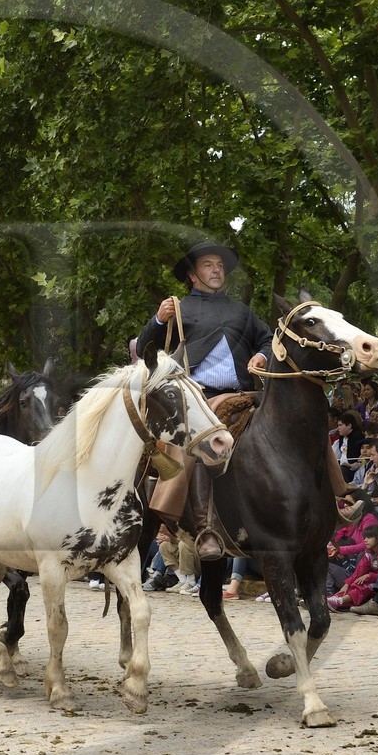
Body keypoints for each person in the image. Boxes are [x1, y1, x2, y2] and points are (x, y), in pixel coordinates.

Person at [136, 238, 276, 558]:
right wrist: (158, 319)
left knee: (298, 416)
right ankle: (205, 529)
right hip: (198, 396)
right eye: (208, 265)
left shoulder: (242, 310)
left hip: (245, 391)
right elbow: (146, 346)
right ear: (192, 275)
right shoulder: (179, 307)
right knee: (204, 437)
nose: (217, 270)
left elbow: (267, 339)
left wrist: (261, 356)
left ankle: (336, 501)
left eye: (220, 265)